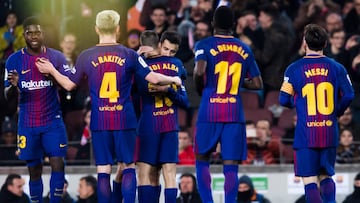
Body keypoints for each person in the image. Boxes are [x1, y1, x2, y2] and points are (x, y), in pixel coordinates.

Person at [36, 10, 182, 203]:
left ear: (96, 29)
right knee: (128, 166)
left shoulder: (86, 56)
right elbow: (154, 78)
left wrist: (52, 70)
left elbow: (69, 84)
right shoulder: (129, 54)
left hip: (100, 120)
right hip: (125, 118)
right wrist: (174, 78)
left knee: (103, 169)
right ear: (118, 29)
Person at [193, 6, 263, 203]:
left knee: (202, 160)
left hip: (210, 109)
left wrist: (201, 89)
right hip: (233, 112)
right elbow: (257, 83)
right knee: (230, 165)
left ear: (213, 24)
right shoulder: (244, 48)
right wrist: (238, 81)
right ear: (233, 25)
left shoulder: (204, 44)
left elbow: (199, 72)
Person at [279, 24, 354, 203]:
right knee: (326, 175)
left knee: (310, 179)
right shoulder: (337, 68)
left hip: (307, 132)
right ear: (325, 43)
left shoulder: (293, 69)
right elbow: (349, 94)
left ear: (304, 43)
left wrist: (296, 102)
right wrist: (337, 111)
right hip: (329, 130)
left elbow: (283, 100)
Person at [4, 16, 69, 203]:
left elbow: (69, 84)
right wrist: (14, 86)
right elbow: (6, 94)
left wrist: (53, 74)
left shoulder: (55, 57)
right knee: (34, 169)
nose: (34, 36)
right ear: (24, 34)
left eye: (37, 32)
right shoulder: (14, 60)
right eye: (29, 32)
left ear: (42, 33)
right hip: (28, 122)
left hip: (52, 120)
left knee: (58, 163)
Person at [136, 30, 189, 203]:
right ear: (159, 45)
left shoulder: (142, 65)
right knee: (168, 173)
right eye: (166, 49)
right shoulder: (177, 65)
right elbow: (185, 101)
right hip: (169, 124)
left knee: (145, 173)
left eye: (172, 51)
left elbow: (134, 91)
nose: (168, 54)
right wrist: (170, 89)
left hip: (149, 124)